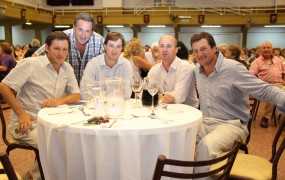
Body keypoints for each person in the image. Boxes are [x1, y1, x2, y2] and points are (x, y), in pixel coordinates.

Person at [190, 32, 285, 176]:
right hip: (205, 122)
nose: (199, 54)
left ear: (214, 48)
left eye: (203, 49)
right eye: (196, 51)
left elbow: (263, 89)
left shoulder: (233, 69)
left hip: (232, 124)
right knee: (177, 138)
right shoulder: (197, 69)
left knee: (206, 146)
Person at [0, 31, 81, 179]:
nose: (61, 53)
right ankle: (36, 177)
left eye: (64, 49)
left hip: (51, 122)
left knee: (72, 140)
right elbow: (4, 87)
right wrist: (21, 113)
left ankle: (33, 175)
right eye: (56, 48)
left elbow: (76, 95)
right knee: (57, 145)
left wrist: (58, 101)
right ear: (46, 48)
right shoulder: (31, 64)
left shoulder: (67, 68)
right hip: (26, 122)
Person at [33, 13, 105, 84]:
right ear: (74, 28)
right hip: (64, 90)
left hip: (89, 90)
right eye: (80, 30)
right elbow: (35, 57)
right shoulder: (61, 37)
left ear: (92, 32)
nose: (83, 35)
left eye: (87, 31)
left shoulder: (100, 41)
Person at [147, 34, 199, 108]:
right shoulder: (155, 69)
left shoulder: (186, 68)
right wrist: (162, 97)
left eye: (169, 46)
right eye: (162, 46)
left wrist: (155, 96)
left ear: (176, 50)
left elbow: (178, 98)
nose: (164, 49)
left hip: (187, 114)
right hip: (163, 112)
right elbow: (144, 92)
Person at [80, 32, 133, 100]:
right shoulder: (93, 64)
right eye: (111, 46)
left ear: (122, 48)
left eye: (118, 46)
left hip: (118, 106)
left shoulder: (126, 65)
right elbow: (84, 93)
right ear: (105, 46)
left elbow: (127, 94)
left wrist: (99, 93)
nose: (114, 50)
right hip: (96, 107)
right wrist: (115, 93)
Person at [249, 41, 285, 128]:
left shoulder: (278, 60)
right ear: (261, 50)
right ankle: (265, 117)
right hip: (264, 85)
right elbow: (250, 76)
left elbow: (284, 72)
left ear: (271, 49)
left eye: (268, 47)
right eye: (264, 47)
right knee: (273, 91)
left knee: (278, 91)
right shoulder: (256, 62)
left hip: (279, 84)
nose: (266, 49)